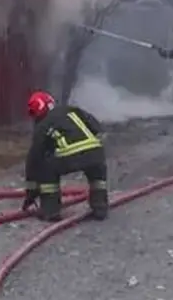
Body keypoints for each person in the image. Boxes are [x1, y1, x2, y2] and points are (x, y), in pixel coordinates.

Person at [22, 91, 109, 222]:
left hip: (68, 157)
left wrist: (31, 194)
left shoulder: (42, 126)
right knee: (97, 175)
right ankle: (100, 207)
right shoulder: (71, 110)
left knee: (45, 167)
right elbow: (96, 126)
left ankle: (51, 211)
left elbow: (34, 160)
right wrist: (98, 150)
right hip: (94, 151)